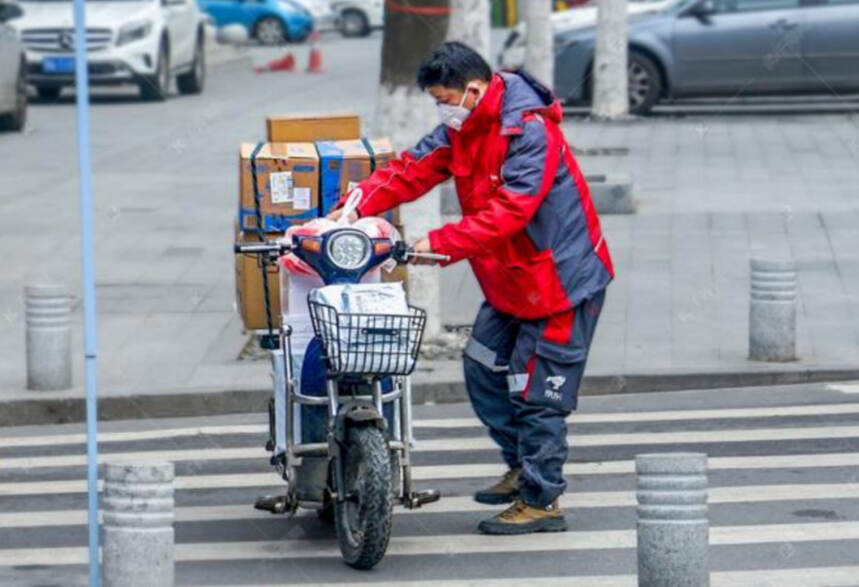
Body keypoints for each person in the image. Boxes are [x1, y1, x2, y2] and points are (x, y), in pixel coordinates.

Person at [328, 41, 614, 535]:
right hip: (509, 280)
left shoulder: (529, 132)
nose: (441, 109)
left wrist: (438, 242)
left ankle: (543, 501)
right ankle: (521, 465)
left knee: (536, 394)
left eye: (445, 99)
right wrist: (353, 208)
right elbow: (410, 169)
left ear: (474, 90)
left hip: (560, 282)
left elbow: (511, 212)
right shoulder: (462, 128)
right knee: (482, 367)